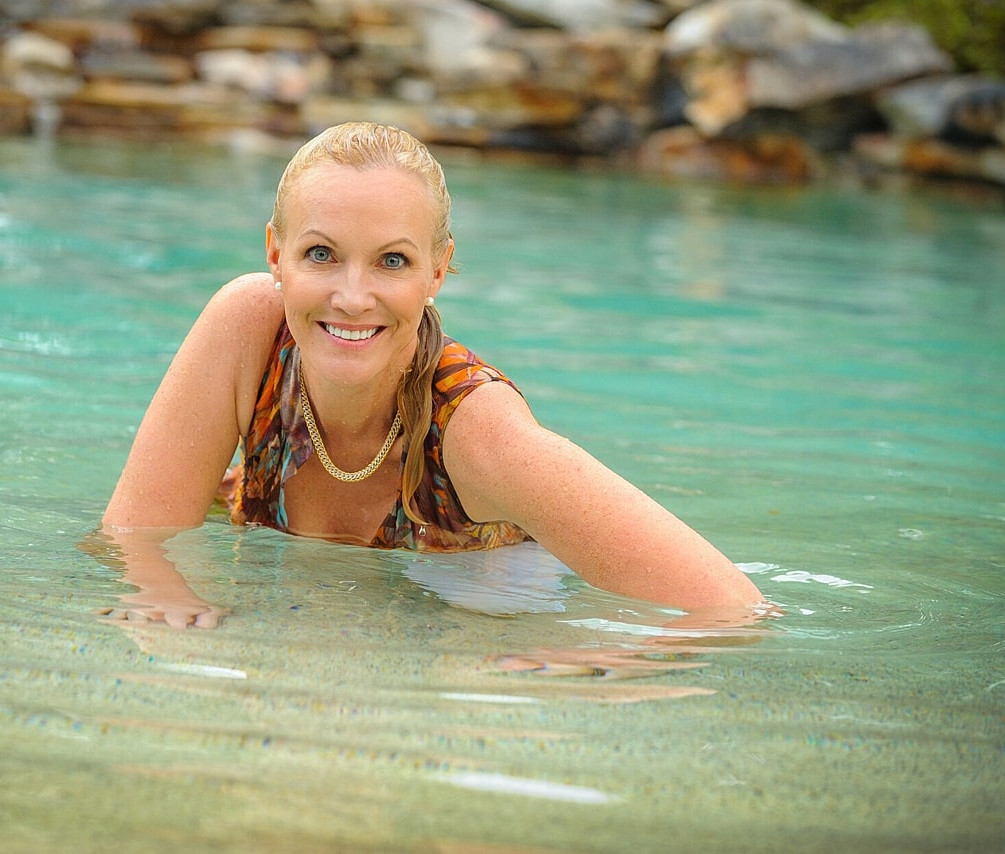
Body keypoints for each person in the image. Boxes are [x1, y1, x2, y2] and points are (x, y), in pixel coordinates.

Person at [98, 121, 765, 628]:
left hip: (479, 602)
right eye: (321, 253)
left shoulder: (478, 432)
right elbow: (132, 539)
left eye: (392, 261)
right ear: (276, 253)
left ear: (438, 270)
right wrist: (169, 612)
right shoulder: (249, 327)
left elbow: (730, 605)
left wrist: (584, 671)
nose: (352, 297)